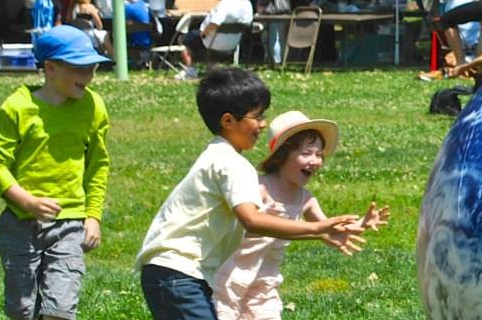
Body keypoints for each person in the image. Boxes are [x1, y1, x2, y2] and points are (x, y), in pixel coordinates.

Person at [136, 68, 364, 319]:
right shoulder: (233, 164)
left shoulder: (216, 154)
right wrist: (317, 229)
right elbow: (252, 220)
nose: (263, 123)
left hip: (171, 272)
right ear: (228, 121)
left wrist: (319, 231)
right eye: (257, 116)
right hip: (180, 273)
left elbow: (252, 227)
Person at [0, 25, 112, 320]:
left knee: (61, 310)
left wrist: (92, 216)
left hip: (69, 224)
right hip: (19, 225)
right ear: (51, 68)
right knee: (22, 309)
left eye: (92, 68)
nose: (89, 77)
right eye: (80, 68)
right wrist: (26, 202)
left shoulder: (93, 107)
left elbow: (98, 165)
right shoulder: (17, 107)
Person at [211, 111, 391, 320]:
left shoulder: (306, 199)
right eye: (306, 153)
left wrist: (362, 223)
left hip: (264, 285)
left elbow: (327, 228)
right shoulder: (260, 188)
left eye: (319, 155)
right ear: (281, 156)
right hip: (229, 278)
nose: (315, 161)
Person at [175, 0, 254, 80]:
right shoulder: (247, 3)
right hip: (233, 42)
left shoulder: (225, 4)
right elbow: (248, 22)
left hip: (213, 41)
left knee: (183, 38)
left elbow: (215, 23)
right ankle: (211, 67)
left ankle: (190, 70)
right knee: (196, 38)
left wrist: (204, 34)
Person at [125, 0, 153, 68]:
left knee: (109, 36)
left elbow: (119, 21)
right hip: (152, 39)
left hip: (138, 42)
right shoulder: (146, 5)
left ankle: (116, 63)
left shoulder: (128, 8)